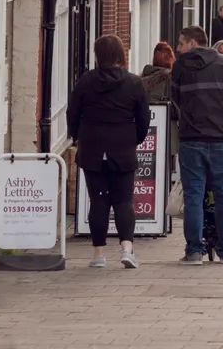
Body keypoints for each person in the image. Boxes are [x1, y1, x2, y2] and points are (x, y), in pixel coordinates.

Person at [67, 33, 150, 270]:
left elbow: (73, 112)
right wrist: (135, 139)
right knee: (123, 200)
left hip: (92, 146)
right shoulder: (134, 82)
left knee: (98, 201)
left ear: (98, 55)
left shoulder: (86, 81)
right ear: (120, 54)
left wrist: (76, 136)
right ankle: (127, 248)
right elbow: (143, 119)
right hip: (122, 146)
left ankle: (98, 254)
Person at [172, 25, 223, 264]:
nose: (178, 48)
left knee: (194, 195)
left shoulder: (179, 68)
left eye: (181, 43)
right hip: (220, 139)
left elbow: (175, 99)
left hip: (190, 140)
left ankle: (194, 251)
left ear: (193, 43)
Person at [140, 40, 178, 157]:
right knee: (166, 169)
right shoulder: (172, 79)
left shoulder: (142, 78)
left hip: (146, 132)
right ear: (171, 58)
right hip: (168, 133)